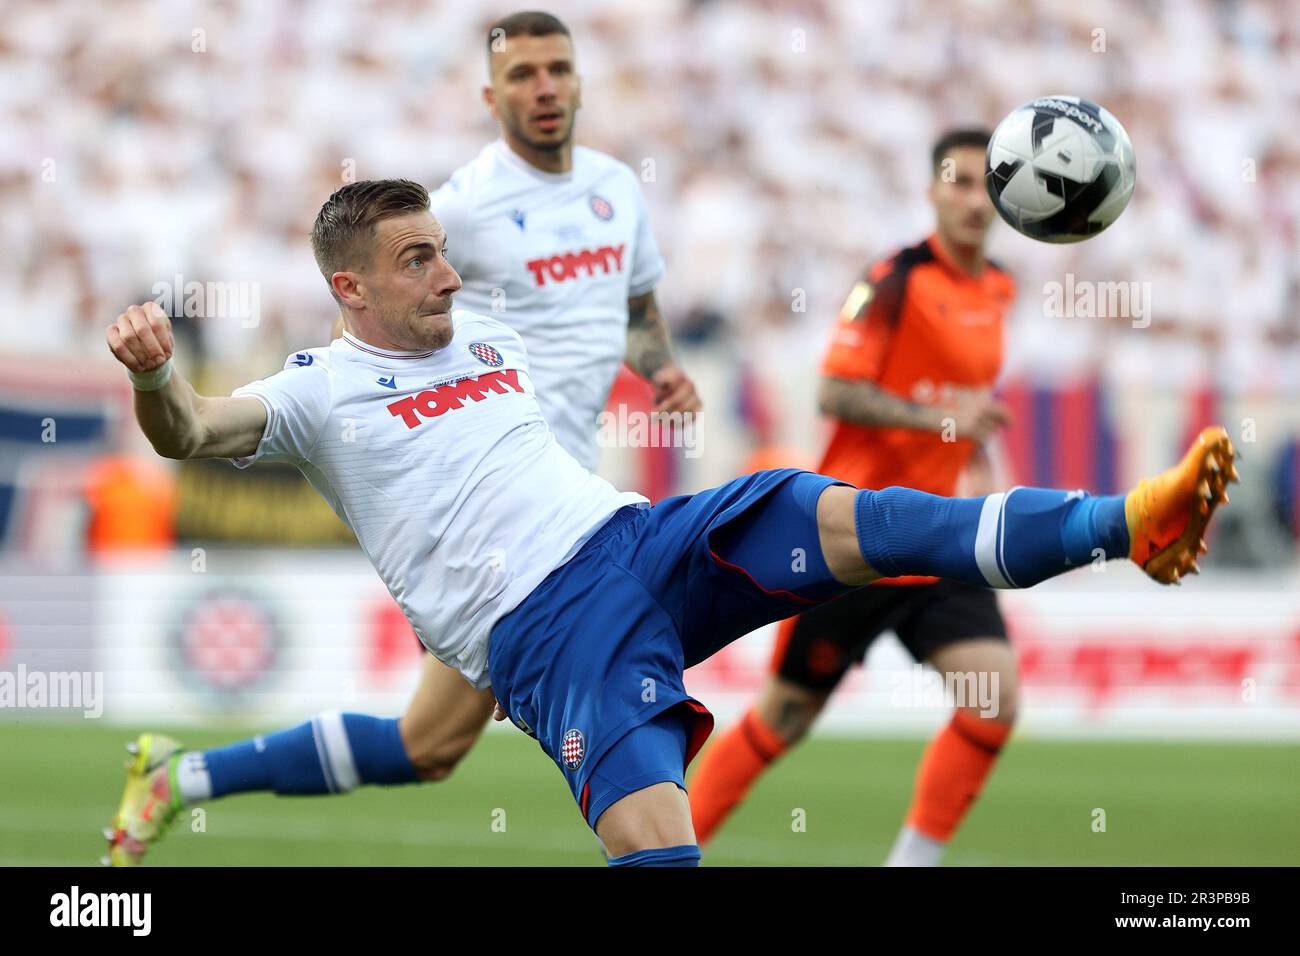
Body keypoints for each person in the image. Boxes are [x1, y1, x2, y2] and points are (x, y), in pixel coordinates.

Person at [105, 178, 1235, 866]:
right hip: (543, 629)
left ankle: (1126, 521)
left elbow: (605, 324)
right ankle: (184, 777)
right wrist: (157, 378)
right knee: (620, 826)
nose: (447, 272)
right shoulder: (313, 390)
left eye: (445, 247)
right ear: (351, 290)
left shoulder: (491, 339)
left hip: (639, 539)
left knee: (835, 514)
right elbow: (191, 427)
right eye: (417, 259)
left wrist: (655, 358)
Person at [104, 10, 700, 866]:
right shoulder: (461, 208)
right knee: (455, 737)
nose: (544, 89)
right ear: (490, 96)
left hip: (573, 497)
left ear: (579, 81)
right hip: (507, 514)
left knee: (430, 744)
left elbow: (636, 303)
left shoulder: (617, 188)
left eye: (558, 70)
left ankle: (182, 777)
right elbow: (373, 329)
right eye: (524, 74)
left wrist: (663, 365)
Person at [688, 127, 1021, 866]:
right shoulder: (893, 280)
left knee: (993, 700)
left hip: (941, 539)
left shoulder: (998, 287)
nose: (971, 198)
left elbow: (969, 409)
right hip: (858, 534)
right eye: (956, 181)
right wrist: (940, 418)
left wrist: (980, 471)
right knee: (784, 717)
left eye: (984, 184)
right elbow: (836, 391)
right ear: (931, 191)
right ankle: (666, 853)